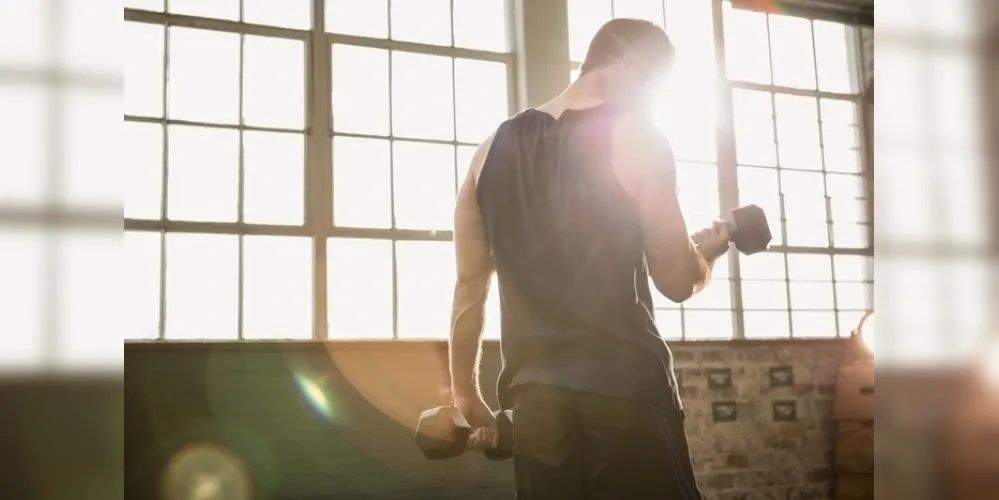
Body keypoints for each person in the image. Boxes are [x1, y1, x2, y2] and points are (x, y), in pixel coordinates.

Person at [447, 18, 730, 500]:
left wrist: (464, 395)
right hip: (627, 393)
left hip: (537, 406)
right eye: (654, 82)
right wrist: (708, 255)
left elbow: (468, 289)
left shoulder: (486, 153)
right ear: (634, 62)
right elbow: (676, 281)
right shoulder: (638, 136)